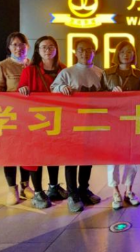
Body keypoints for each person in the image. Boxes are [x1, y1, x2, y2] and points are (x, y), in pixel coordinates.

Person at [50, 39, 104, 212]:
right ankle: (72, 195)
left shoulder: (100, 73)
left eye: (89, 49)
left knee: (88, 158)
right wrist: (61, 88)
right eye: (81, 50)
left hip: (92, 123)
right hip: (71, 124)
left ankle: (83, 189)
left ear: (94, 52)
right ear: (75, 52)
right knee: (72, 159)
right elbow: (52, 88)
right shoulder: (67, 72)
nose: (84, 53)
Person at [18, 35, 67, 209]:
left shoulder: (63, 69)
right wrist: (23, 88)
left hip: (56, 119)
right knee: (36, 155)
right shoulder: (29, 71)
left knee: (54, 153)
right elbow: (21, 90)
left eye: (51, 46)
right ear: (38, 50)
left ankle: (53, 186)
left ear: (56, 49)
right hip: (36, 121)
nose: (47, 50)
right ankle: (38, 191)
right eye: (44, 47)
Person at [0, 32, 34, 206]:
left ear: (27, 46)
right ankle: (11, 188)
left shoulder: (34, 65)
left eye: (22, 44)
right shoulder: (1, 66)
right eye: (14, 44)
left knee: (28, 152)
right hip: (11, 117)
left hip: (32, 117)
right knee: (11, 153)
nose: (18, 48)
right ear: (9, 47)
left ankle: (25, 185)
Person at [103, 40, 140, 210]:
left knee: (132, 158)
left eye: (129, 52)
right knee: (113, 158)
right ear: (117, 54)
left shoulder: (139, 75)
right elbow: (98, 96)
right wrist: (109, 93)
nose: (126, 55)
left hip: (133, 120)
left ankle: (129, 190)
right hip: (112, 121)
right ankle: (115, 192)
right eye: (122, 52)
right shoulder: (107, 73)